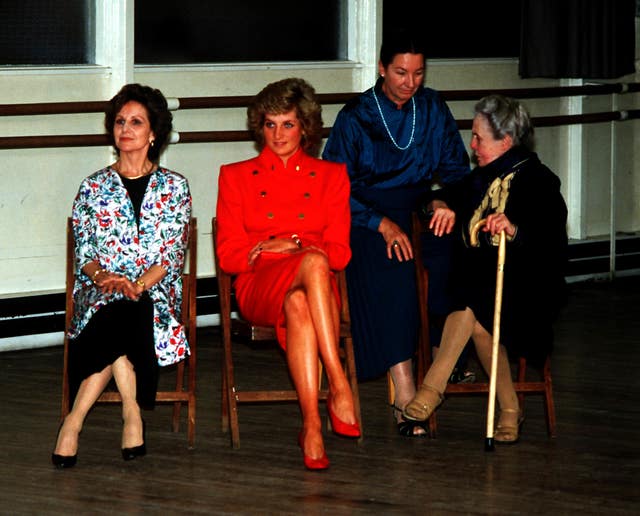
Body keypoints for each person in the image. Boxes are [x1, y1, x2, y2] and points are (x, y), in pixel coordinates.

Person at [322, 29, 470, 436]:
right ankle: (405, 392)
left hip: (420, 208)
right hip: (365, 217)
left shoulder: (434, 106)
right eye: (401, 72)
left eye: (418, 73)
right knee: (395, 269)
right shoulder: (355, 116)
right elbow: (333, 188)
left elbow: (458, 172)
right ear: (383, 69)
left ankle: (443, 362)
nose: (410, 83)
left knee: (452, 258)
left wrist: (443, 201)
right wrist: (380, 223)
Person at [403, 94, 568, 443]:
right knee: (475, 308)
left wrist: (515, 229)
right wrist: (440, 206)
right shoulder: (478, 180)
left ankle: (432, 388)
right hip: (478, 289)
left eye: (479, 137)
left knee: (471, 302)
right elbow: (430, 197)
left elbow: (551, 245)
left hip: (525, 289)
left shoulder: (539, 181)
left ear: (505, 142)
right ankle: (510, 409)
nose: (472, 144)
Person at [215, 77, 360, 470]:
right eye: (270, 124)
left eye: (288, 124)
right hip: (259, 280)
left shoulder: (332, 175)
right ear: (259, 126)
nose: (278, 134)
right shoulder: (235, 175)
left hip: (314, 286)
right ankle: (339, 380)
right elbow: (228, 255)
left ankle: (312, 424)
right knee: (313, 263)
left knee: (301, 299)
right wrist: (274, 248)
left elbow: (341, 253)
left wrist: (293, 243)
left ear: (306, 127)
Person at [52, 83, 192, 468]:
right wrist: (104, 278)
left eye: (135, 122)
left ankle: (72, 423)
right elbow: (85, 252)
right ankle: (133, 412)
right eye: (119, 121)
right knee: (117, 308)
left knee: (129, 307)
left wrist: (138, 283)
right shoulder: (93, 187)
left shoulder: (175, 187)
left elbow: (171, 253)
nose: (125, 128)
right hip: (99, 290)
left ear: (153, 133)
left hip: (155, 291)